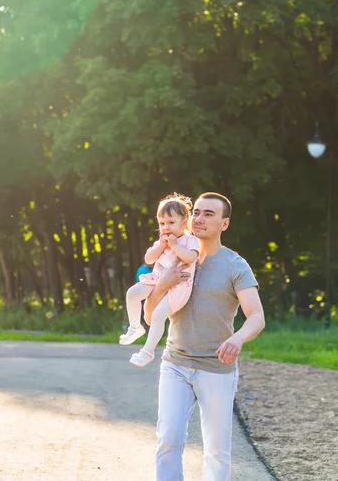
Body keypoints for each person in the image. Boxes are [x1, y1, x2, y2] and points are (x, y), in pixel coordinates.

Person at [144, 192, 266, 481]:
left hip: (216, 369)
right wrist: (163, 283)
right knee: (167, 441)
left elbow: (257, 316)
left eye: (209, 214)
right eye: (196, 212)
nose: (199, 218)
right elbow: (150, 317)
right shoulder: (172, 256)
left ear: (224, 224)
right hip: (174, 364)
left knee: (217, 450)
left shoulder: (235, 265)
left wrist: (237, 339)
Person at [119, 193, 199, 368]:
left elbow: (190, 258)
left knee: (157, 316)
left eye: (171, 223)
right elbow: (148, 259)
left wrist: (175, 245)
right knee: (133, 293)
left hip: (179, 286)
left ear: (184, 222)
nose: (166, 227)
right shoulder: (161, 242)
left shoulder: (189, 240)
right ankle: (135, 327)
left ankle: (147, 352)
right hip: (157, 279)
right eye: (162, 223)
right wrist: (162, 246)